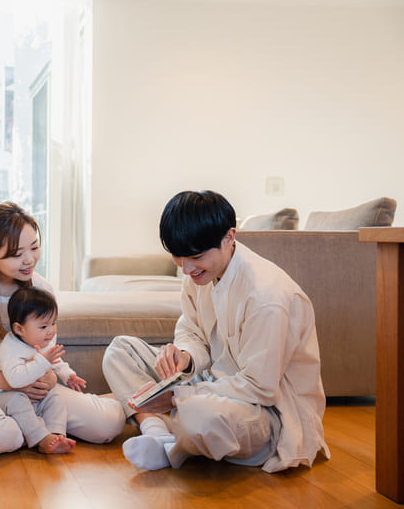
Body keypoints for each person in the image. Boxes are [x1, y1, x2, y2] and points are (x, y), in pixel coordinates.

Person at [102, 190, 330, 473]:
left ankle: (171, 442)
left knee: (199, 416)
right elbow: (193, 331)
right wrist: (184, 357)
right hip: (210, 383)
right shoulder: (198, 273)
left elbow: (260, 389)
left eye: (195, 256)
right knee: (120, 351)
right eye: (178, 257)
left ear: (229, 237)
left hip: (265, 411)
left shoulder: (266, 296)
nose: (186, 268)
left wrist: (178, 397)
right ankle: (157, 431)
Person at [0, 201, 124, 456]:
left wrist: (51, 378)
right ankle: (34, 431)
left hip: (33, 395)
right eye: (17, 254)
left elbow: (47, 352)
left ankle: (35, 430)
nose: (29, 260)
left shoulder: (41, 289)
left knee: (109, 423)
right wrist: (13, 384)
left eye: (34, 247)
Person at [0, 286, 87, 454]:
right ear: (19, 329)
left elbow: (55, 362)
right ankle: (41, 438)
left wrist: (68, 375)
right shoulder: (9, 349)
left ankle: (56, 435)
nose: (51, 331)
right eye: (43, 327)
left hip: (33, 398)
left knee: (56, 397)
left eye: (53, 323)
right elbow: (15, 379)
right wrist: (42, 361)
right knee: (17, 400)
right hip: (2, 398)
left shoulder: (39, 343)